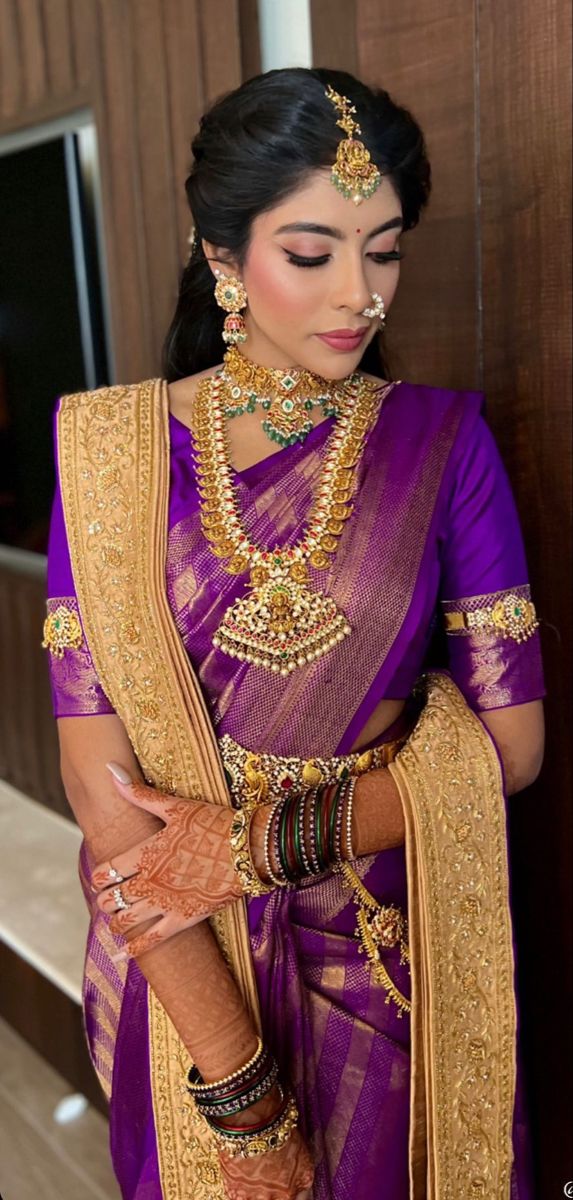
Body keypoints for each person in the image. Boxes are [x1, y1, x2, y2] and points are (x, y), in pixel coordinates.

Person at [42, 68, 546, 1200]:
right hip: (180, 963)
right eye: (314, 254)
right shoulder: (111, 456)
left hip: (378, 945)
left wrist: (255, 847)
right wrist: (241, 1095)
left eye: (387, 249)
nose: (363, 294)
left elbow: (511, 748)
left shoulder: (440, 445)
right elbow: (98, 775)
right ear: (223, 257)